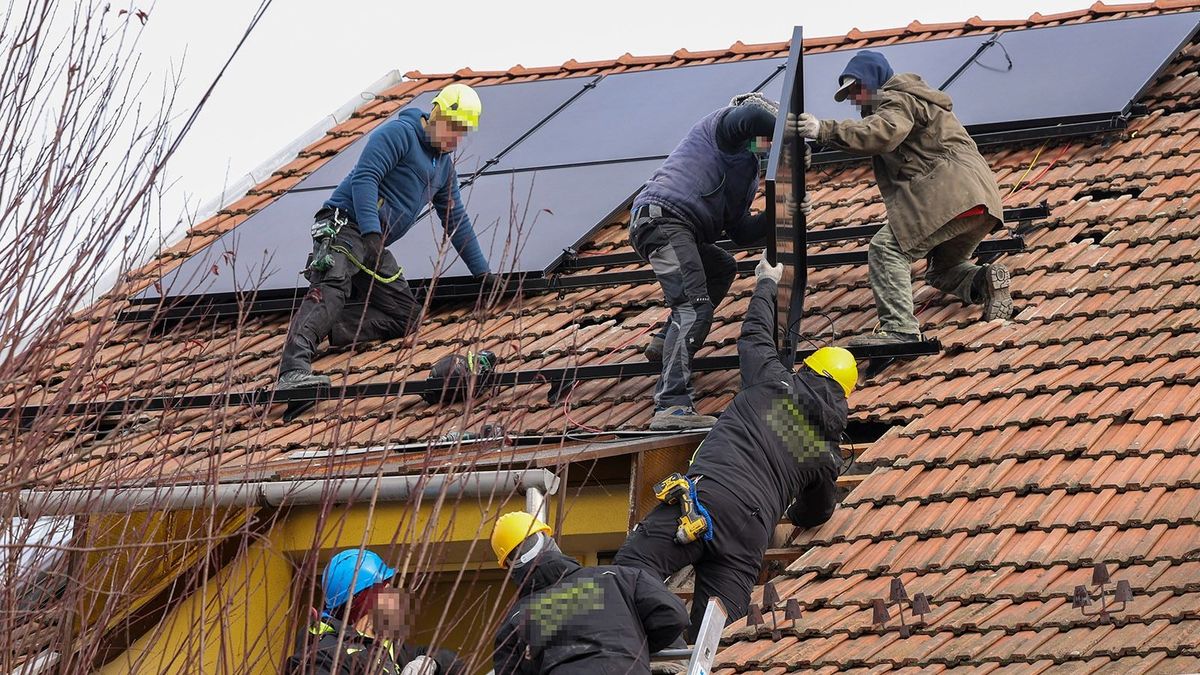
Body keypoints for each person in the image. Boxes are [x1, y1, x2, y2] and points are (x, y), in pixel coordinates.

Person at [612, 252, 853, 640]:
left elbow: (756, 333)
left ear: (808, 368)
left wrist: (766, 282)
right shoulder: (825, 452)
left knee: (633, 568)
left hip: (708, 498)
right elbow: (816, 511)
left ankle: (644, 636)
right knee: (717, 636)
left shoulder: (772, 382)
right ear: (842, 399)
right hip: (750, 533)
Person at [277, 84, 497, 389]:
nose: (456, 139)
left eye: (463, 133)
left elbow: (454, 217)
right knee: (334, 284)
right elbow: (367, 177)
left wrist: (482, 272)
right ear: (436, 114)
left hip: (373, 242)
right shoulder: (399, 134)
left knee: (407, 316)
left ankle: (332, 325)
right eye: (454, 128)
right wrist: (370, 229)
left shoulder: (443, 167)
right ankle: (292, 370)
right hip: (346, 225)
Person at [792, 50, 1009, 347]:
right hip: (980, 201)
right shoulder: (916, 100)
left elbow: (883, 133)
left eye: (858, 90)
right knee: (942, 270)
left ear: (874, 81)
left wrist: (823, 130)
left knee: (886, 249)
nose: (856, 100)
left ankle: (900, 330)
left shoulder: (897, 98)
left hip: (948, 195)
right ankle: (984, 280)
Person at [630, 92, 804, 431]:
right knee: (693, 307)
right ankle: (671, 406)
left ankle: (666, 341)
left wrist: (783, 213)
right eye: (770, 138)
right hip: (662, 218)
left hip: (678, 229)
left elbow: (740, 231)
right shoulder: (723, 129)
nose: (767, 144)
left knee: (723, 267)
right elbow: (752, 116)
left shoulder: (748, 172)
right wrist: (793, 139)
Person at [490, 511, 688, 674]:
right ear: (549, 540)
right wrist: (636, 647)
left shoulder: (515, 620)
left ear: (510, 568)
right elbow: (673, 615)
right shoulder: (617, 577)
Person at [287, 549, 465, 675]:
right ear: (366, 601)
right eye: (387, 590)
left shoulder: (388, 647)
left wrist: (430, 662)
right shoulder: (322, 657)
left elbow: (455, 662)